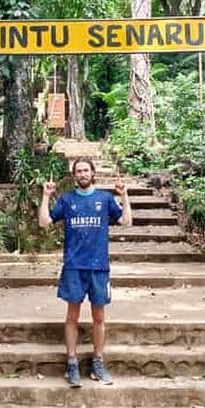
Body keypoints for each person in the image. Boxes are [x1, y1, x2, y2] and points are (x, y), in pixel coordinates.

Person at [38, 157, 132, 388]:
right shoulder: (67, 199)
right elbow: (44, 223)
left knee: (98, 317)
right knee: (72, 315)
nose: (82, 174)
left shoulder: (104, 198)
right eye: (78, 171)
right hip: (73, 266)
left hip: (99, 267)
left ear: (93, 173)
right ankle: (72, 363)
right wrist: (46, 196)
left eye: (85, 170)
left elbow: (126, 221)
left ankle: (98, 362)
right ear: (73, 175)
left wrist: (124, 195)